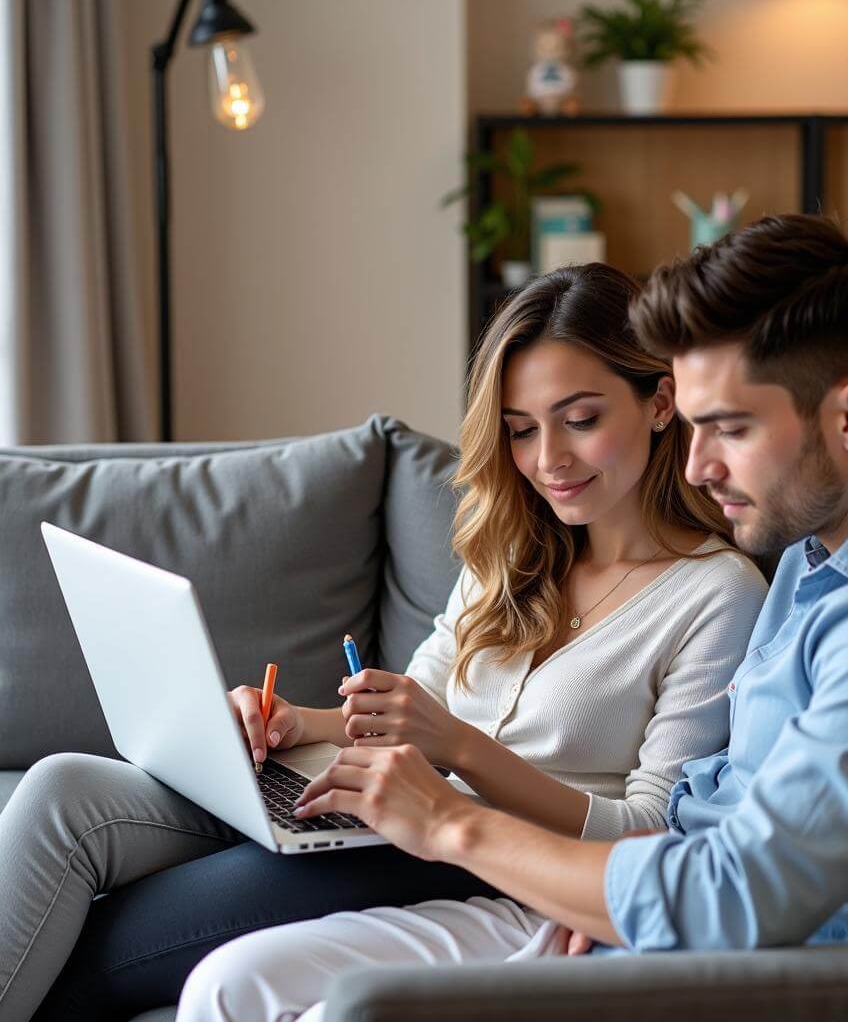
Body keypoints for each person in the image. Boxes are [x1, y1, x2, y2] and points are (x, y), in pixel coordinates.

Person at [177, 214, 848, 1021]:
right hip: (642, 920)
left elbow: (738, 897)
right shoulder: (826, 552)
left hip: (748, 981)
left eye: (728, 429)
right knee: (230, 988)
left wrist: (448, 822)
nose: (697, 465)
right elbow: (709, 810)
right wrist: (606, 887)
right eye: (694, 426)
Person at [0, 263, 766, 1022]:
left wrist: (462, 751)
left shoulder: (716, 593)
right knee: (65, 788)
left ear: (660, 401)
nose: (547, 462)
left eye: (581, 419)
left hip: (483, 860)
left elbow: (652, 834)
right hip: (386, 817)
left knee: (104, 952)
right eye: (521, 431)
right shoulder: (516, 553)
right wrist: (296, 723)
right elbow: (415, 706)